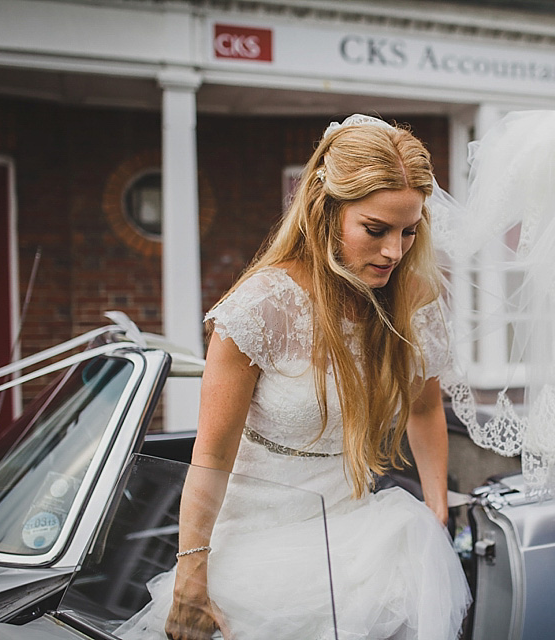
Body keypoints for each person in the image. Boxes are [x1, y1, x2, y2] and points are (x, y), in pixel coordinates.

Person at [118, 115, 470, 640]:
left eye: (408, 232)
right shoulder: (260, 308)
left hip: (357, 547)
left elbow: (423, 409)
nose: (395, 251)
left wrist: (436, 507)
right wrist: (192, 574)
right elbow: (211, 455)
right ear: (327, 210)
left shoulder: (412, 304)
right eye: (376, 230)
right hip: (257, 549)